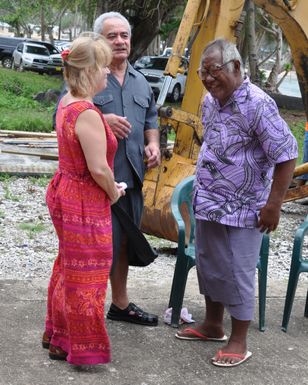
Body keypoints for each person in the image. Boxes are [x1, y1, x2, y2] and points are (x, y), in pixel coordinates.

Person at [175, 38, 298, 367]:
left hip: (246, 209)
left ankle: (239, 341)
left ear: (237, 68)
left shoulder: (258, 104)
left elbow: (287, 155)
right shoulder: (210, 99)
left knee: (237, 272)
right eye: (204, 73)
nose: (209, 80)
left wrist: (274, 205)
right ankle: (213, 325)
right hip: (210, 203)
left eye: (215, 72)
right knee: (210, 266)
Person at [42, 33, 126, 365]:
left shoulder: (67, 102)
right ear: (89, 70)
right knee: (88, 273)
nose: (108, 72)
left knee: (68, 266)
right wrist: (113, 193)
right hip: (83, 201)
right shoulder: (87, 112)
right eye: (104, 66)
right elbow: (100, 170)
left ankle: (59, 338)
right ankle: (81, 346)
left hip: (65, 190)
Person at [92, 12, 161, 325]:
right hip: (96, 183)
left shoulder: (141, 81)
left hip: (131, 181)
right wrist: (101, 121)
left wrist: (153, 144)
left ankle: (119, 305)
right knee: (94, 249)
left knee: (121, 247)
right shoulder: (88, 77)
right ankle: (83, 313)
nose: (120, 41)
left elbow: (151, 119)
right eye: (112, 36)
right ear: (99, 41)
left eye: (124, 35)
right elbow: (63, 119)